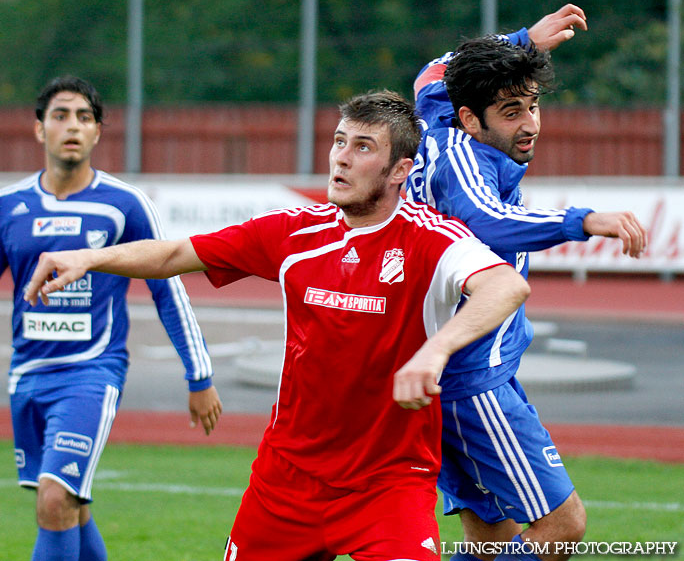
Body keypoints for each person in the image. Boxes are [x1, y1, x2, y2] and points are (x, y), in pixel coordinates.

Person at [25, 90, 530, 561]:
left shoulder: (432, 239)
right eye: (338, 141)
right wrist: (88, 257)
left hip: (390, 486)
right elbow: (177, 252)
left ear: (401, 169)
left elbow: (506, 287)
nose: (341, 157)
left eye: (362, 146)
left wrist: (434, 351)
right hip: (287, 480)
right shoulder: (294, 232)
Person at [406, 6, 647, 561]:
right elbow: (489, 220)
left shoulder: (441, 109)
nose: (531, 124)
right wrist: (583, 221)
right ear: (471, 119)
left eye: (533, 105)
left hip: (460, 371)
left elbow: (431, 72)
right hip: (473, 381)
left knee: (490, 543)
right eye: (512, 111)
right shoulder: (463, 160)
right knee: (562, 528)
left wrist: (523, 42)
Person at [0, 76, 223, 561]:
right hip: (27, 376)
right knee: (73, 506)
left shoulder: (124, 205)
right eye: (60, 115)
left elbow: (169, 290)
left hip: (91, 373)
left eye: (84, 117)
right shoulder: (9, 208)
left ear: (99, 132)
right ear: (39, 130)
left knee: (55, 498)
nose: (72, 126)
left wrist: (199, 373)